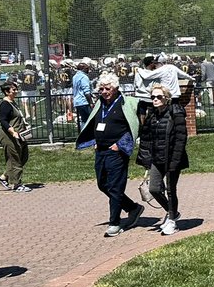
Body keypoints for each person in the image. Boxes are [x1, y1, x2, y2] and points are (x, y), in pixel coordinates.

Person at [77, 72, 144, 237]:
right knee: (102, 184)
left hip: (117, 152)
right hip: (101, 151)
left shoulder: (126, 104)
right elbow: (95, 123)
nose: (104, 91)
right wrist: (94, 140)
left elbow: (135, 127)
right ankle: (133, 208)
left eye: (107, 88)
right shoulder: (100, 104)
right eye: (101, 89)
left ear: (115, 88)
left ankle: (115, 222)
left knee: (115, 187)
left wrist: (120, 145)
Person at [138, 85, 188, 236]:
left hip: (172, 158)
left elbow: (181, 138)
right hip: (156, 158)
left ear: (167, 98)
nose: (155, 100)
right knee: (154, 189)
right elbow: (146, 139)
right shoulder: (152, 116)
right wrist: (146, 159)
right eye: (153, 97)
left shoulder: (176, 113)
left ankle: (172, 221)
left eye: (159, 97)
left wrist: (175, 161)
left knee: (170, 190)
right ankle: (172, 212)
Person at [0, 81, 32, 192]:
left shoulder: (13, 102)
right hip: (9, 136)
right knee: (15, 159)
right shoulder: (5, 104)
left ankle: (4, 177)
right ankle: (17, 184)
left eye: (16, 89)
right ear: (7, 92)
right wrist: (12, 132)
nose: (16, 91)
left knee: (23, 156)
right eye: (13, 90)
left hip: (20, 135)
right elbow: (3, 120)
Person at [72, 59, 94, 125]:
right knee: (91, 119)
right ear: (82, 69)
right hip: (84, 102)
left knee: (84, 120)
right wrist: (91, 103)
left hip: (77, 102)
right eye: (87, 68)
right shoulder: (84, 77)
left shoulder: (75, 77)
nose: (88, 70)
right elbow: (86, 91)